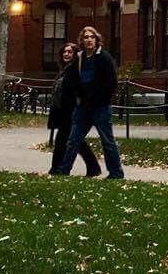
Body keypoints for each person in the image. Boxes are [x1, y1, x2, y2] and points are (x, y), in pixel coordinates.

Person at [50, 26, 124, 178]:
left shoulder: (104, 58)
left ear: (97, 40)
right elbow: (71, 80)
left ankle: (116, 173)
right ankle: (63, 171)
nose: (89, 39)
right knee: (73, 140)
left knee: (107, 141)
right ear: (82, 41)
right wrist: (79, 96)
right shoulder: (80, 58)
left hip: (100, 108)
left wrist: (99, 99)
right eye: (86, 37)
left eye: (92, 37)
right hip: (82, 108)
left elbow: (111, 83)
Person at [46, 41, 101, 176]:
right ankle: (93, 168)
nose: (66, 54)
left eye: (69, 52)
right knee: (75, 141)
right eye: (64, 52)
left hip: (72, 111)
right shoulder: (65, 70)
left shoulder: (77, 70)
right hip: (62, 111)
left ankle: (57, 169)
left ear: (76, 54)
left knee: (64, 140)